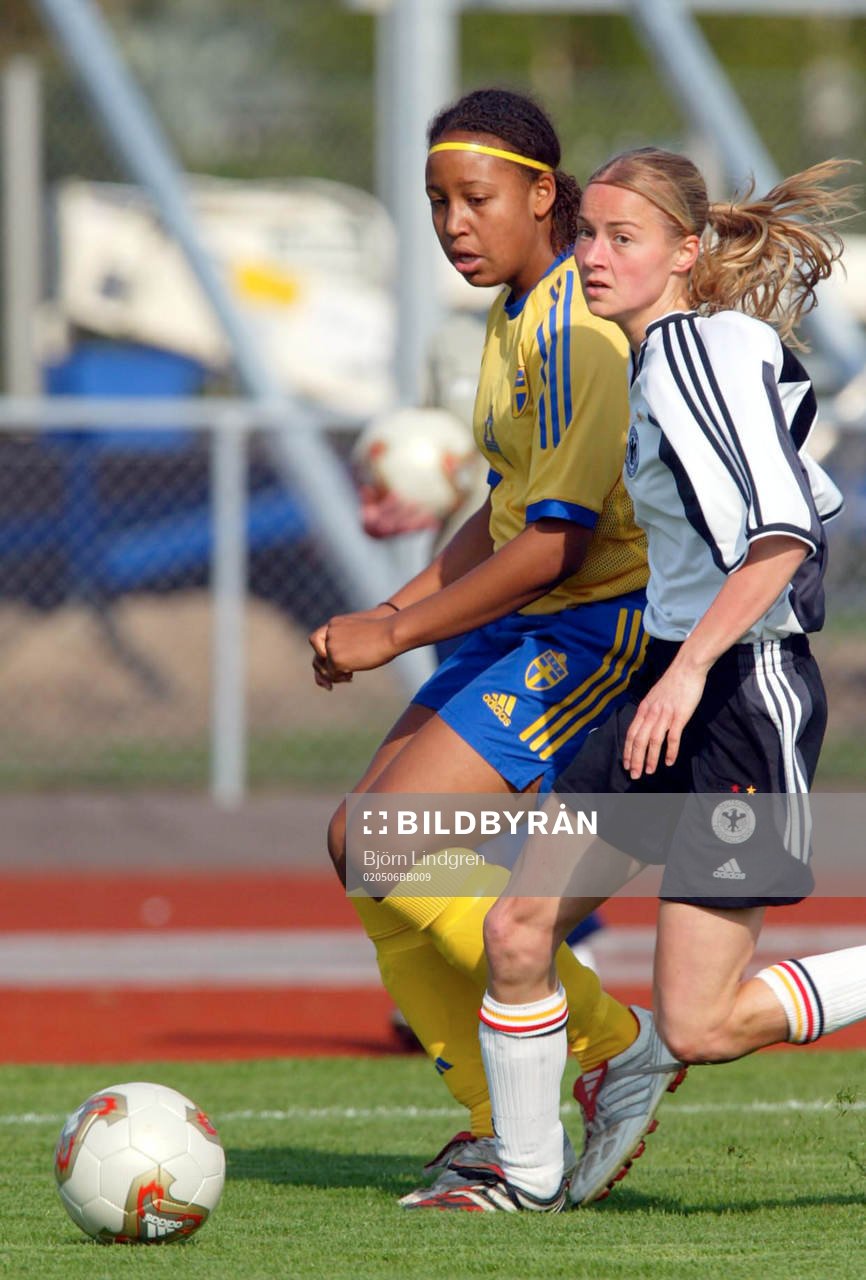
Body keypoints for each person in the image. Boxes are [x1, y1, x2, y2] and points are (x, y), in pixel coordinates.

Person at [434, 146, 866, 1213]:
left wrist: (689, 674)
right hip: (666, 686)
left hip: (741, 697)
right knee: (517, 928)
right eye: (587, 233)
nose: (593, 254)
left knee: (700, 1025)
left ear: (685, 252)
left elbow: (781, 537)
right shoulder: (658, 359)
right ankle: (523, 1178)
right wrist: (669, 675)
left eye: (622, 237)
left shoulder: (694, 352)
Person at [309, 89, 664, 1209]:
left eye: (475, 198)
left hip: (592, 627)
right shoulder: (516, 315)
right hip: (527, 620)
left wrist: (397, 632)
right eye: (436, 203)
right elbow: (505, 508)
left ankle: (615, 1046)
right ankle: (485, 1116)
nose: (453, 224)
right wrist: (393, 608)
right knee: (361, 843)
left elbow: (556, 544)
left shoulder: (576, 330)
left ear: (543, 193)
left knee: (397, 842)